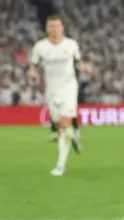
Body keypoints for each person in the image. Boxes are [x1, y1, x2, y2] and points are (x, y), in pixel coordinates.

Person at [29, 16, 91, 176]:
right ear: (47, 28)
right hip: (51, 89)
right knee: (58, 125)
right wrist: (33, 72)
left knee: (64, 125)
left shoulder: (71, 45)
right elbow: (33, 65)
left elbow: (78, 61)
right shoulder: (40, 47)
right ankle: (75, 135)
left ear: (62, 28)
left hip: (69, 87)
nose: (55, 29)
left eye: (57, 26)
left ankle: (60, 165)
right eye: (52, 26)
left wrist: (84, 68)